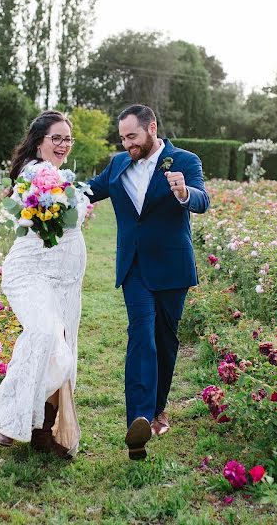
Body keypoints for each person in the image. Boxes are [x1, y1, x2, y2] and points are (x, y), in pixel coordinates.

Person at [86, 104, 210, 460]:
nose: (127, 144)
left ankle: (157, 410)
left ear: (152, 127)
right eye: (123, 138)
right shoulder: (118, 163)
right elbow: (89, 191)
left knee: (165, 340)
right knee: (141, 332)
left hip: (172, 265)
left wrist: (184, 193)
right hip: (135, 266)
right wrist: (43, 190)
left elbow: (203, 199)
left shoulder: (184, 160)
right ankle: (137, 421)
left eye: (133, 136)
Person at [0, 110, 88, 459]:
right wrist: (71, 198)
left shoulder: (60, 176)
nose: (63, 145)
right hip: (31, 273)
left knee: (62, 347)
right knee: (45, 334)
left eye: (67, 139)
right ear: (39, 141)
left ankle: (45, 431)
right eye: (56, 138)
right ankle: (10, 417)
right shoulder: (35, 174)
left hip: (64, 280)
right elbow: (55, 207)